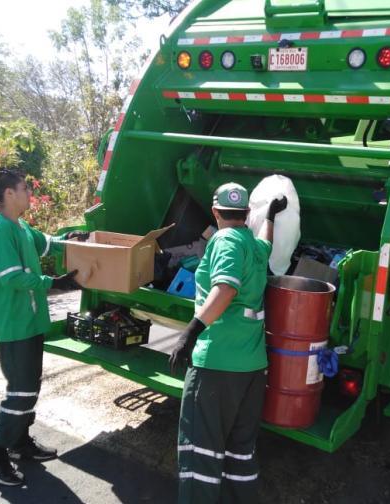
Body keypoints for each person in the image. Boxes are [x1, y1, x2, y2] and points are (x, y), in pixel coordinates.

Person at [169, 182, 287, 503]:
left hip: (216, 364)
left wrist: (190, 332)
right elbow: (267, 242)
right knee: (240, 452)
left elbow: (225, 289)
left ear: (215, 212)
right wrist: (272, 217)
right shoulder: (252, 243)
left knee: (200, 452)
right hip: (251, 367)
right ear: (246, 214)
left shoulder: (224, 240)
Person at [0, 169, 88, 487]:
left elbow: (48, 243)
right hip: (15, 326)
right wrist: (53, 282)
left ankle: (20, 442)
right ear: (8, 194)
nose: (29, 194)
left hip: (30, 322)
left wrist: (71, 242)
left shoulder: (20, 227)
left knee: (29, 387)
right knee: (21, 391)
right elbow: (11, 277)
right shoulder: (1, 232)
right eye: (24, 189)